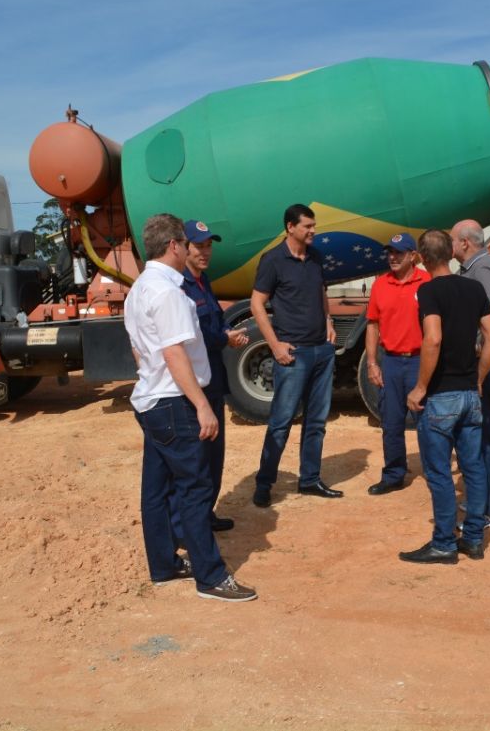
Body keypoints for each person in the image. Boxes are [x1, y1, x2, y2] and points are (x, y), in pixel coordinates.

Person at [124, 213, 256, 602]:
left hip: (153, 398)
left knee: (156, 488)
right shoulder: (169, 292)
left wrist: (151, 376)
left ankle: (164, 564)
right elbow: (174, 351)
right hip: (175, 402)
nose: (190, 249)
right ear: (174, 246)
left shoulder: (140, 289)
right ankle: (211, 576)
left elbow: (139, 347)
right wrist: (201, 404)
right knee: (195, 489)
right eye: (185, 243)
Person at [400, 229, 490, 564]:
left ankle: (443, 542)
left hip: (441, 397)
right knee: (473, 467)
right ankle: (473, 539)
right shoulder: (474, 288)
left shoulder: (428, 291)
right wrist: (480, 378)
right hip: (470, 394)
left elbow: (433, 339)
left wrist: (421, 387)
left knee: (440, 472)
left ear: (422, 258)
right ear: (450, 253)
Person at [251, 204, 340, 508]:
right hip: (293, 354)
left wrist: (328, 321)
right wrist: (275, 345)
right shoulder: (273, 260)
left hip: (321, 352)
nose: (313, 231)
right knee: (281, 421)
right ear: (290, 227)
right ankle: (264, 483)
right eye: (307, 226)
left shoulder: (315, 257)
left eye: (314, 225)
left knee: (316, 421)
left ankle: (310, 479)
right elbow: (257, 304)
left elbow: (322, 293)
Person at [173, 220, 250, 536]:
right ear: (183, 248)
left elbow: (213, 325)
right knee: (196, 459)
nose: (206, 252)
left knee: (214, 455)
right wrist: (224, 339)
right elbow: (191, 336)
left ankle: (205, 513)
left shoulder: (204, 282)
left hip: (214, 378)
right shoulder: (180, 287)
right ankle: (184, 528)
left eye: (209, 246)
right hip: (196, 384)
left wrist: (226, 332)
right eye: (199, 246)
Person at [363, 233, 431, 495]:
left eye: (398, 253)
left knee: (427, 422)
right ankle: (393, 475)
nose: (392, 257)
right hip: (390, 362)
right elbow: (373, 324)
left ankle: (435, 472)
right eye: (389, 252)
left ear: (413, 256)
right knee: (391, 424)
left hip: (419, 362)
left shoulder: (427, 282)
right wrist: (372, 362)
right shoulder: (381, 284)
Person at [450, 219, 490, 527]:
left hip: (484, 361)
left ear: (465, 243)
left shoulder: (482, 268)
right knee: (480, 434)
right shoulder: (474, 267)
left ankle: (487, 509)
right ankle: (482, 501)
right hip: (482, 358)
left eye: (453, 240)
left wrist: (465, 325)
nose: (450, 245)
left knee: (485, 438)